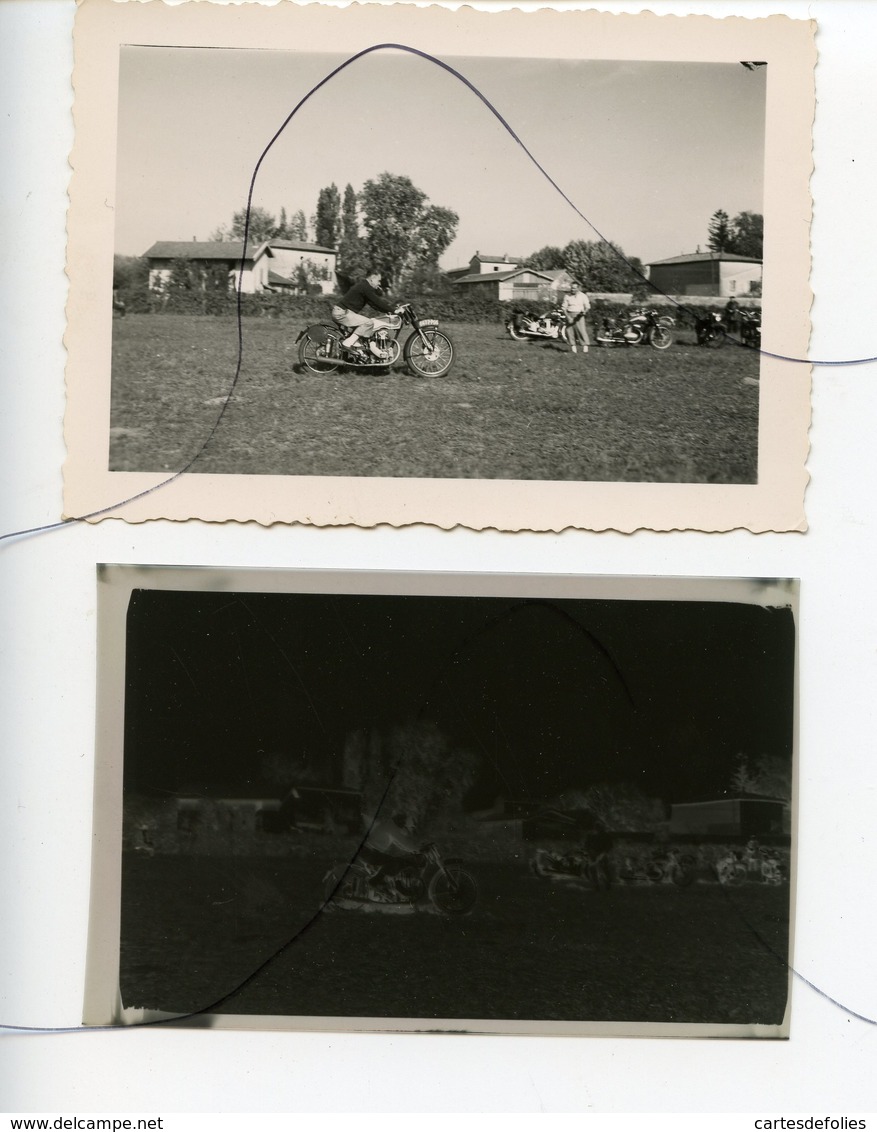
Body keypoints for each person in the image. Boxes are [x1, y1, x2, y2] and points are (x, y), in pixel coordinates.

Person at [332, 269, 401, 357]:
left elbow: (374, 305)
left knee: (365, 327)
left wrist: (389, 310)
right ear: (372, 279)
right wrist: (394, 310)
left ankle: (361, 351)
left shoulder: (364, 286)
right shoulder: (366, 287)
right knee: (369, 322)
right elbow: (377, 301)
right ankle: (347, 344)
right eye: (378, 281)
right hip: (342, 313)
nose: (379, 283)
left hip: (343, 312)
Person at [360, 810, 424, 898]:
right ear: (400, 821)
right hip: (369, 852)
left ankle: (384, 887)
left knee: (395, 861)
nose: (403, 827)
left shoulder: (389, 825)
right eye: (404, 824)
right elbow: (403, 842)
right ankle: (373, 882)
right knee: (394, 862)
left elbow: (399, 843)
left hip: (368, 851)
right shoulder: (391, 828)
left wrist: (413, 850)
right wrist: (417, 849)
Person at [561, 282, 591, 354]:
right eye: (571, 288)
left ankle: (585, 348)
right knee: (570, 332)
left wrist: (584, 312)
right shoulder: (567, 296)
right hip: (570, 314)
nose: (572, 289)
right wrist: (568, 317)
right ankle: (573, 349)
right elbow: (564, 308)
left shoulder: (583, 296)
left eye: (574, 288)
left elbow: (587, 306)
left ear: (578, 288)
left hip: (579, 315)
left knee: (581, 331)